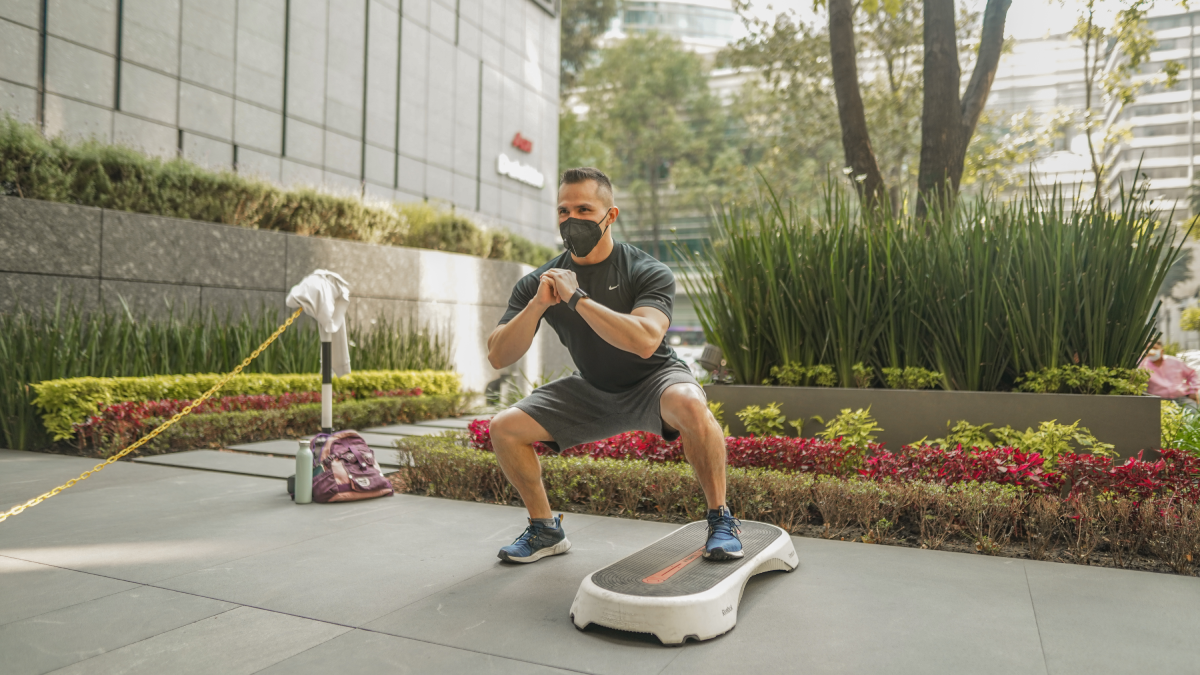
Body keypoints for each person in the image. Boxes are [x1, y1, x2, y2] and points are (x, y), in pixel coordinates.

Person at [485, 167, 741, 564]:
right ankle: (545, 529)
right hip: (592, 388)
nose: (572, 220)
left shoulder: (646, 270)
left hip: (654, 380)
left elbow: (644, 341)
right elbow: (498, 354)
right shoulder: (539, 281)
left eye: (584, 209)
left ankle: (720, 519)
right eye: (563, 211)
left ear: (611, 215)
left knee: (691, 403)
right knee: (504, 427)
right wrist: (537, 305)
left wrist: (577, 300)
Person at [1140, 341, 1200, 408]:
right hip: (1159, 401)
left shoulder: (1175, 362)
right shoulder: (1143, 365)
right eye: (1148, 349)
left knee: (1195, 412)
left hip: (1181, 399)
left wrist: (1193, 391)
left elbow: (1192, 374)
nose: (1151, 351)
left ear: (1161, 350)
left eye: (1154, 348)